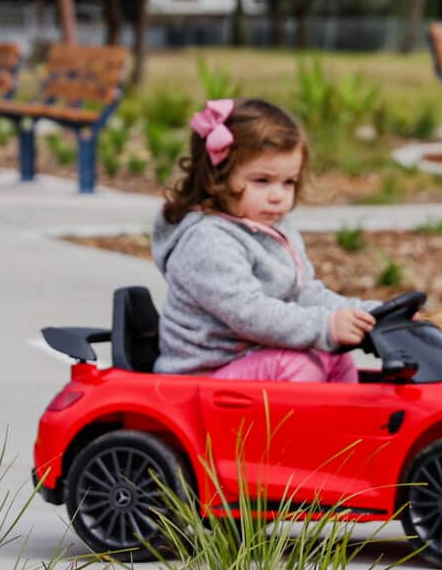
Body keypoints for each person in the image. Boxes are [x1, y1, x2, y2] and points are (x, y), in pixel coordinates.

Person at [150, 97, 375, 381]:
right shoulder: (208, 241)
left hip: (252, 361)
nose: (277, 196)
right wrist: (325, 327)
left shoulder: (273, 228)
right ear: (215, 178)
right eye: (262, 181)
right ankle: (304, 413)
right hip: (203, 375)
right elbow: (250, 314)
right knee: (297, 366)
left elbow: (303, 293)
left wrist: (366, 314)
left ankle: (344, 412)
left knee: (336, 358)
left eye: (288, 182)